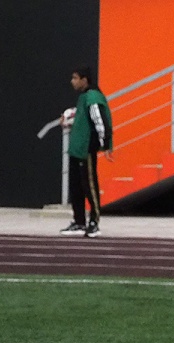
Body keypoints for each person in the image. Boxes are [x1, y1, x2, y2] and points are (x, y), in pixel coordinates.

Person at [60, 66, 113, 238]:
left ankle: (94, 222)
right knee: (76, 186)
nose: (72, 81)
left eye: (75, 78)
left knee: (89, 185)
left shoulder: (93, 97)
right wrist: (69, 118)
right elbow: (82, 117)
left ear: (84, 80)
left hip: (86, 148)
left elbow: (101, 121)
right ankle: (79, 221)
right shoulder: (84, 97)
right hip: (77, 148)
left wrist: (106, 145)